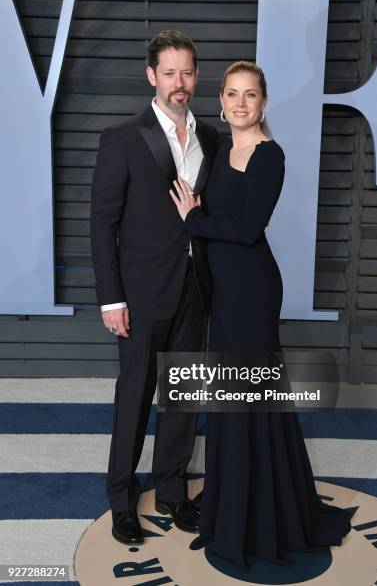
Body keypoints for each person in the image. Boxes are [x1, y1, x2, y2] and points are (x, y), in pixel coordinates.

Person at [170, 61, 352, 570]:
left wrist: (195, 220)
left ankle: (259, 518)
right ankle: (229, 512)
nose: (240, 104)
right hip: (224, 291)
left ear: (264, 102)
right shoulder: (223, 150)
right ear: (222, 101)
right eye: (232, 94)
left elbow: (248, 229)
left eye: (250, 95)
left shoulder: (270, 156)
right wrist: (199, 218)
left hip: (251, 291)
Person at [90, 30, 217, 546]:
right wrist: (111, 297)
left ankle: (171, 489)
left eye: (187, 72)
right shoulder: (122, 138)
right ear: (152, 76)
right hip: (140, 293)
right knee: (135, 396)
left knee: (183, 394)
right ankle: (121, 497)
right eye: (170, 73)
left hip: (196, 287)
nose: (179, 82)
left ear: (195, 76)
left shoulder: (212, 136)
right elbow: (103, 224)